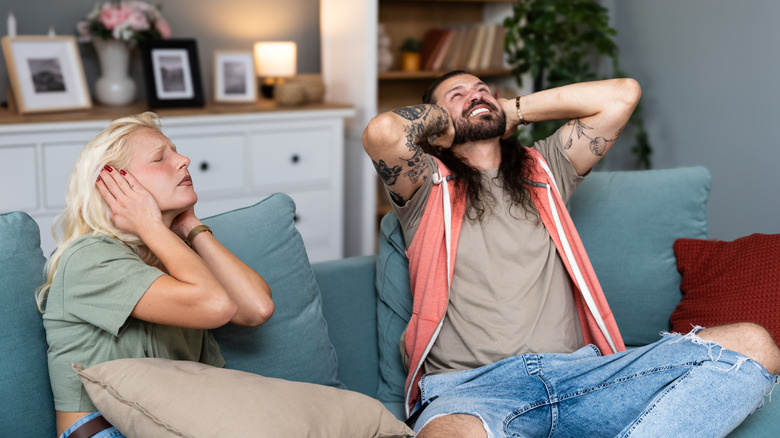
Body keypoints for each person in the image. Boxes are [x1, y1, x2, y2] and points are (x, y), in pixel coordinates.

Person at [362, 70, 780, 437]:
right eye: (456, 94)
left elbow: (622, 95)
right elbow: (383, 132)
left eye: (481, 88)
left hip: (583, 377)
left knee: (754, 344)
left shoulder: (545, 169)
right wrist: (444, 121)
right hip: (475, 390)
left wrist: (513, 108)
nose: (475, 95)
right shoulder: (424, 189)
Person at [36, 112, 275, 438]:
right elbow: (216, 306)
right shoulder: (89, 258)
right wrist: (149, 223)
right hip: (108, 431)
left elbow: (256, 308)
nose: (184, 160)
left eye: (176, 151)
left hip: (178, 423)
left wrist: (190, 226)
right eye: (160, 157)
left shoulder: (176, 260)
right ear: (117, 186)